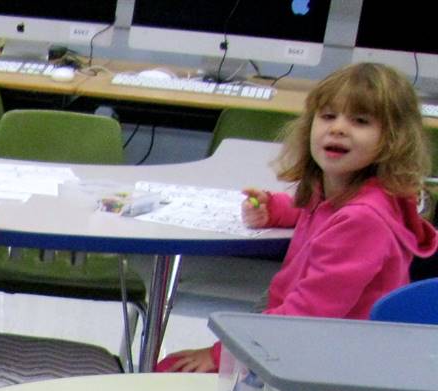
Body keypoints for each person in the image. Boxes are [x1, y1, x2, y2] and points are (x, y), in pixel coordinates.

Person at [161, 62, 437, 372]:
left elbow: (306, 315)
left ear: (393, 140)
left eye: (360, 121)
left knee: (169, 370)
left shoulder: (363, 220)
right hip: (307, 341)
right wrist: (276, 209)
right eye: (328, 116)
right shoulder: (345, 192)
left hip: (327, 362)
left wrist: (219, 354)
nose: (338, 128)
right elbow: (312, 206)